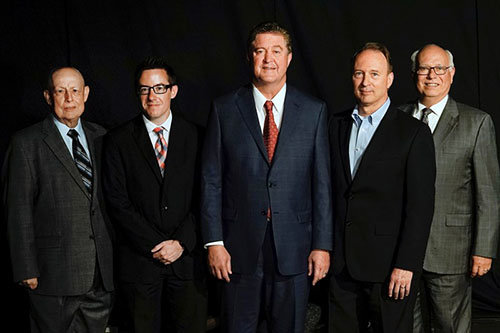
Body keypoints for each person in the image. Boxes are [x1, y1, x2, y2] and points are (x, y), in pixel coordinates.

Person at [200, 21, 332, 332]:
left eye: (276, 51)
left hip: (295, 248)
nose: (268, 59)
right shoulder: (224, 109)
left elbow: (322, 184)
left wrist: (322, 245)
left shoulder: (314, 111)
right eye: (260, 51)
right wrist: (214, 242)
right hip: (236, 249)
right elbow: (211, 180)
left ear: (289, 58)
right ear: (250, 57)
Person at [328, 42, 436, 332]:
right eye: (359, 73)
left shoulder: (413, 132)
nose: (366, 82)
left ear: (389, 79)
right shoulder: (334, 126)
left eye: (375, 74)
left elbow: (421, 207)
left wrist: (406, 264)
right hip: (341, 266)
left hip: (389, 268)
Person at [2, 67, 114, 332]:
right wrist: (25, 268)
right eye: (60, 91)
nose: (69, 98)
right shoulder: (26, 143)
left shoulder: (103, 137)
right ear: (47, 96)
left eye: (75, 90)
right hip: (52, 277)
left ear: (86, 94)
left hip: (100, 275)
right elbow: (18, 210)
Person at [397, 43, 500, 333]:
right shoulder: (397, 118)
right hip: (402, 252)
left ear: (451, 74)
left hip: (451, 250)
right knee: (407, 326)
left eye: (439, 68)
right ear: (414, 74)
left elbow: (488, 195)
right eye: (424, 68)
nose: (432, 75)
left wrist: (484, 249)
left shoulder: (476, 123)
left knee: (449, 327)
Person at [102, 56, 207, 333]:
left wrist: (180, 243)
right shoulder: (117, 140)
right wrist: (158, 245)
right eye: (145, 89)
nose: (152, 96)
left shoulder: (199, 136)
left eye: (159, 88)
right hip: (140, 264)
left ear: (173, 91)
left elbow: (205, 197)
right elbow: (117, 202)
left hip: (186, 263)